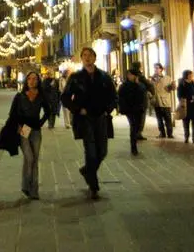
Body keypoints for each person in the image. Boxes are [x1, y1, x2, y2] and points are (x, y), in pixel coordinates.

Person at [61, 47, 117, 200]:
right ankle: (93, 186)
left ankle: (87, 170)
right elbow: (65, 98)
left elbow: (113, 96)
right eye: (84, 56)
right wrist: (78, 110)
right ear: (81, 59)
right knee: (91, 152)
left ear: (94, 58)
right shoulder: (76, 78)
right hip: (84, 120)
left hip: (101, 118)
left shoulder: (104, 77)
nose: (87, 58)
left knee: (102, 151)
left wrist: (108, 110)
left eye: (90, 55)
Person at [10, 71, 51, 199]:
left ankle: (33, 191)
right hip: (24, 129)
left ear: (38, 81)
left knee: (35, 160)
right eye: (30, 79)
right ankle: (26, 185)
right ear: (26, 81)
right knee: (29, 158)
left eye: (35, 79)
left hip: (36, 130)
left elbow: (48, 111)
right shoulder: (20, 96)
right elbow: (13, 113)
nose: (32, 81)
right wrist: (18, 126)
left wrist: (41, 122)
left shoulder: (41, 96)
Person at [118, 68, 147, 155]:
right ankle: (133, 147)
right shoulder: (124, 85)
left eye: (131, 75)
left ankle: (134, 143)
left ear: (135, 76)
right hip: (129, 110)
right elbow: (120, 96)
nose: (129, 76)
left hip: (138, 109)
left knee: (137, 126)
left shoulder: (140, 85)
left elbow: (143, 94)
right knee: (133, 126)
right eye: (128, 75)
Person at [130, 61, 155, 141]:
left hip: (132, 100)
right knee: (141, 117)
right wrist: (152, 93)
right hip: (141, 99)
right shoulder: (140, 76)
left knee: (134, 118)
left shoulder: (129, 75)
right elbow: (149, 85)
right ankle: (138, 133)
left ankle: (135, 133)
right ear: (139, 67)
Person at [177, 70, 194, 144]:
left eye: (192, 75)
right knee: (186, 122)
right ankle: (186, 137)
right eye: (190, 75)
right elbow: (179, 95)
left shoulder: (193, 83)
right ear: (186, 76)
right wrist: (188, 100)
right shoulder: (182, 84)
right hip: (186, 106)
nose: (191, 76)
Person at [151, 63, 175, 138]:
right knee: (159, 119)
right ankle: (162, 133)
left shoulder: (167, 78)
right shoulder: (152, 79)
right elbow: (149, 90)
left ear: (161, 69)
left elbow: (172, 88)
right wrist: (151, 97)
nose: (156, 69)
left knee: (168, 118)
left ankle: (170, 133)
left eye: (157, 68)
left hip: (165, 101)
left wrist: (172, 86)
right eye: (155, 68)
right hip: (156, 101)